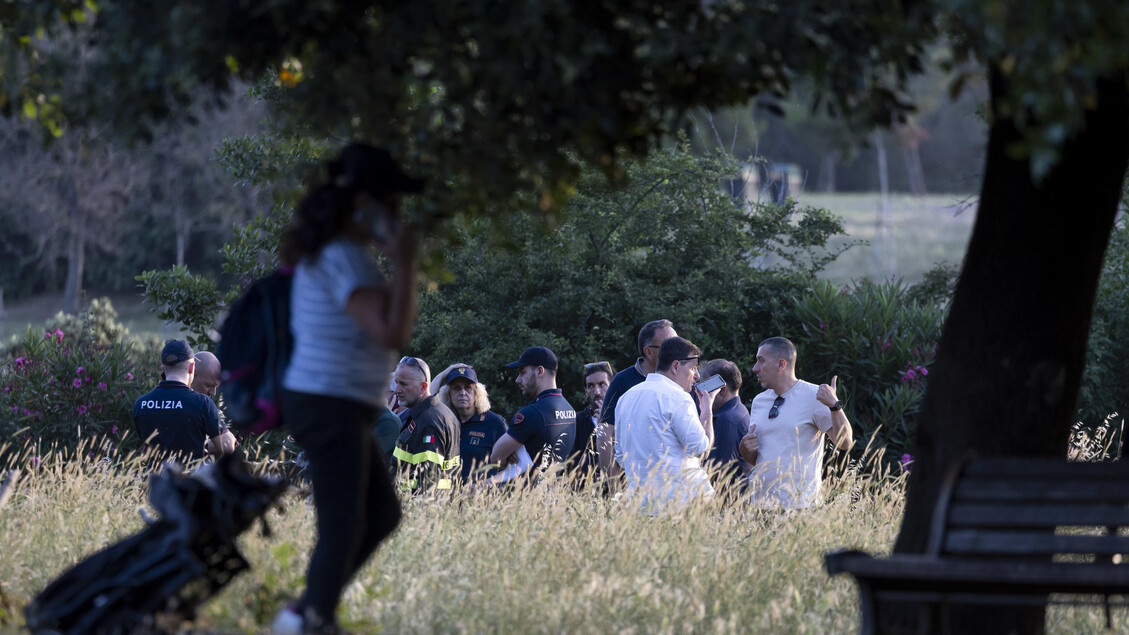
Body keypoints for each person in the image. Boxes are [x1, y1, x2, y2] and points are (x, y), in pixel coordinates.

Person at [273, 143, 420, 634]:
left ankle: (309, 611)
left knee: (380, 514)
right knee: (346, 524)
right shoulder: (343, 258)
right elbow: (393, 334)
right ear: (365, 204)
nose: (398, 214)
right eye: (392, 203)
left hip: (341, 406)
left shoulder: (341, 254)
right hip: (328, 404)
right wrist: (405, 262)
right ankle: (309, 619)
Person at [738, 336, 854, 509]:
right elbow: (760, 459)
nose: (755, 368)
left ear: (781, 364)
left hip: (799, 507)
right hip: (760, 506)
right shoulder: (758, 401)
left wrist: (835, 406)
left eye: (761, 361)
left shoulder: (815, 396)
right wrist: (745, 450)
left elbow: (845, 443)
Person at [613, 337, 717, 510]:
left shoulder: (625, 398)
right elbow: (700, 448)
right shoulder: (678, 397)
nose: (697, 375)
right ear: (676, 366)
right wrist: (707, 409)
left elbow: (620, 456)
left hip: (640, 505)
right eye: (693, 368)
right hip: (682, 504)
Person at [596, 319, 678, 476]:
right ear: (648, 352)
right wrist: (614, 485)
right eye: (670, 345)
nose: (678, 350)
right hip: (634, 484)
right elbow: (605, 433)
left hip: (675, 484)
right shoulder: (623, 381)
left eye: (678, 343)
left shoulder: (683, 378)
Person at [133, 340, 235, 462]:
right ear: (192, 367)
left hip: (154, 479)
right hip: (190, 478)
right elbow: (228, 447)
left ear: (163, 369)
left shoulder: (141, 404)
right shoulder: (202, 403)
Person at [489, 346, 576, 476]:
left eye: (522, 372)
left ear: (540, 371)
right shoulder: (569, 409)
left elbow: (496, 457)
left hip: (530, 493)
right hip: (556, 492)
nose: (517, 380)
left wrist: (514, 451)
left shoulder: (531, 412)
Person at [391, 356, 461, 492]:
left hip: (419, 509)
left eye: (403, 384)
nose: (397, 390)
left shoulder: (429, 422)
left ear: (423, 387)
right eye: (396, 383)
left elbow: (427, 484)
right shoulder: (435, 413)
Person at [434, 365, 509, 482]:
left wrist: (487, 485)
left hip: (483, 497)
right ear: (448, 394)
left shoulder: (495, 423)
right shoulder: (444, 422)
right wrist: (442, 375)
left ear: (476, 393)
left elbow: (513, 467)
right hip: (447, 498)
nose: (462, 393)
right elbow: (425, 404)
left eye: (468, 388)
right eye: (456, 388)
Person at [698, 358, 752, 500]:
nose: (700, 392)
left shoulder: (727, 420)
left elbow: (715, 473)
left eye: (704, 386)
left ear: (721, 390)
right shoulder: (737, 411)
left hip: (724, 509)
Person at [568, 361, 614, 480]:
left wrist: (605, 426)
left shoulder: (623, 419)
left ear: (612, 386)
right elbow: (570, 460)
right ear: (585, 390)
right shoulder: (576, 421)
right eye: (591, 386)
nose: (597, 392)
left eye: (602, 384)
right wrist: (599, 465)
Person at [190, 351, 238, 456]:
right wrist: (211, 445)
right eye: (208, 385)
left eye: (216, 386)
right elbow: (228, 446)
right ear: (192, 374)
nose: (213, 393)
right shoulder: (204, 403)